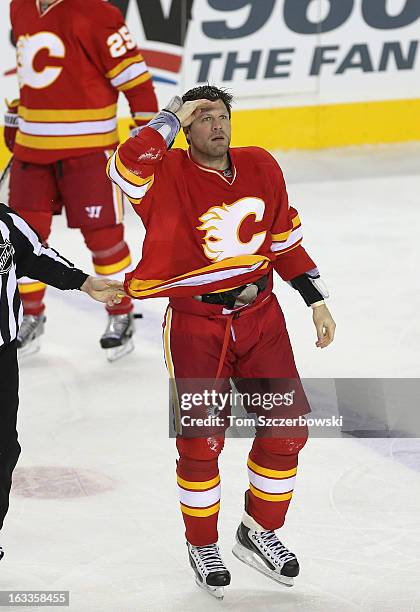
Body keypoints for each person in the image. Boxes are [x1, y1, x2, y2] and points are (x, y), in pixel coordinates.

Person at [106, 85, 336, 598]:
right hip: (196, 326)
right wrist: (169, 115)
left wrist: (314, 298)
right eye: (202, 117)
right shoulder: (164, 174)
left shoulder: (261, 165)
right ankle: (202, 542)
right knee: (201, 440)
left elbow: (283, 239)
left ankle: (259, 532)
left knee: (288, 427)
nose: (216, 124)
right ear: (185, 129)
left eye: (221, 115)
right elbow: (123, 168)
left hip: (262, 319)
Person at [4, 0, 158, 360]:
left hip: (89, 154)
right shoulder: (20, 6)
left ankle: (121, 314)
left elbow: (137, 84)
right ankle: (29, 315)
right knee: (20, 241)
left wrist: (149, 144)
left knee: (104, 239)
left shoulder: (98, 13)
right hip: (31, 152)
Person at [0, 201, 123, 561]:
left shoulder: (5, 223)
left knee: (3, 449)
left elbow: (37, 256)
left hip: (1, 357)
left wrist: (84, 282)